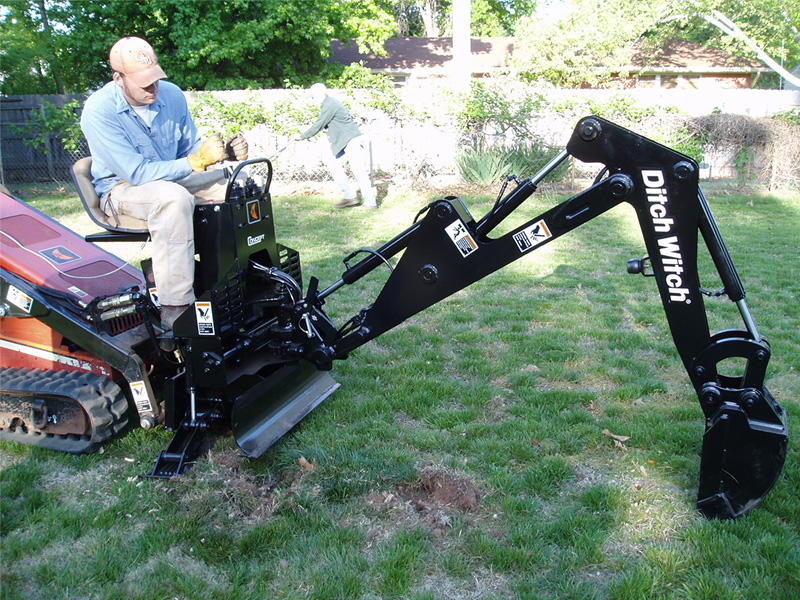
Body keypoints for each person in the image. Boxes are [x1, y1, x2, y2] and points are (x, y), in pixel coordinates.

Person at [80, 36, 248, 330]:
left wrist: (223, 156)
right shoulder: (98, 111)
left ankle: (243, 280)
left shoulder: (171, 95)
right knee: (172, 198)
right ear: (118, 79)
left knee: (242, 182)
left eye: (155, 78)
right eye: (143, 82)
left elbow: (191, 149)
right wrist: (195, 162)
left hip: (173, 176)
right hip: (121, 189)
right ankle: (176, 306)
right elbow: (137, 173)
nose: (152, 87)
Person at [299, 83, 377, 209]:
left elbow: (318, 125)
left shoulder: (330, 105)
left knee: (358, 171)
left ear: (319, 94)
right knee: (333, 164)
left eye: (313, 97)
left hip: (352, 141)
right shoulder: (328, 104)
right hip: (344, 142)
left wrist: (301, 136)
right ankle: (349, 197)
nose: (312, 100)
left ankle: (370, 202)